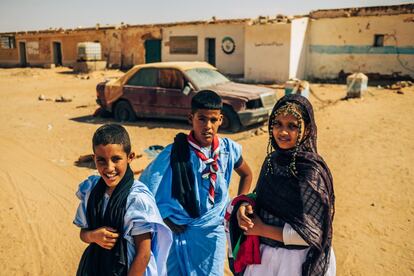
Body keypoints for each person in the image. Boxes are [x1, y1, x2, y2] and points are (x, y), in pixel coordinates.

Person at [139, 90, 253, 276]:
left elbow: (247, 174)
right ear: (190, 118)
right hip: (179, 229)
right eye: (201, 119)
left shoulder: (228, 149)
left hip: (212, 230)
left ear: (221, 120)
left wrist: (239, 203)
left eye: (213, 120)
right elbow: (146, 186)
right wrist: (165, 217)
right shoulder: (174, 152)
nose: (207, 126)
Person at [234, 94, 336, 275]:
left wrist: (261, 229)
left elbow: (312, 234)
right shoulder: (272, 161)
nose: (282, 132)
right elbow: (260, 197)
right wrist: (245, 205)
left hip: (295, 262)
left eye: (292, 126)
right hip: (265, 258)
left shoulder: (310, 171)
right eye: (277, 124)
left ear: (307, 130)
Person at [73, 124, 172, 276]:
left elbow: (143, 253)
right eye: (102, 161)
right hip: (93, 268)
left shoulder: (136, 199)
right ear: (94, 159)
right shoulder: (91, 190)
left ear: (130, 157)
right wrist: (94, 236)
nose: (109, 168)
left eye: (116, 159)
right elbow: (83, 233)